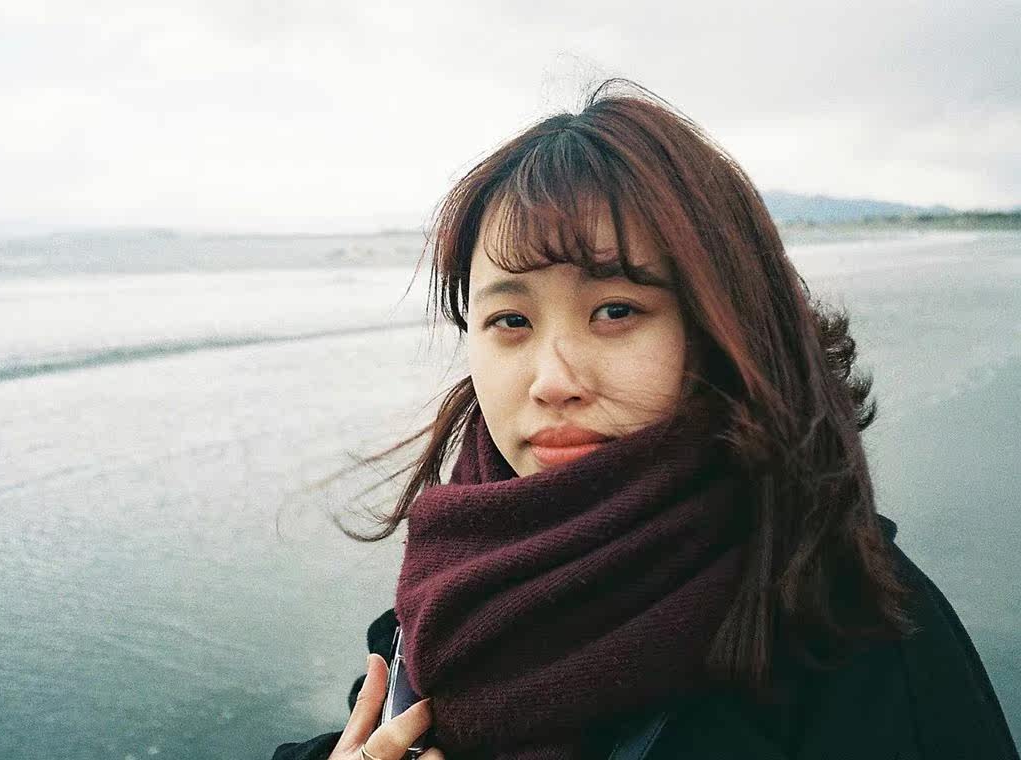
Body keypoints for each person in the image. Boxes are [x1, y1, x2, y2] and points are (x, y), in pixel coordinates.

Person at [273, 78, 1018, 759]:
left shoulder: (854, 636)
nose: (553, 381)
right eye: (510, 321)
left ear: (723, 326)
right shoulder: (449, 591)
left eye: (616, 311)